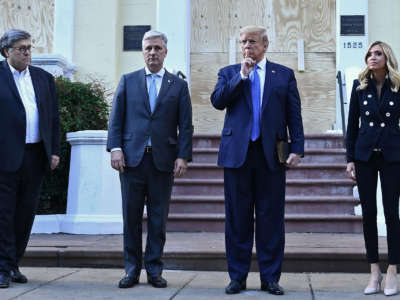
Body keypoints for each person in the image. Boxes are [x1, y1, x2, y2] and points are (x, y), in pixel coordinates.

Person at [210, 25, 304, 295]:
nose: (246, 47)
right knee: (237, 219)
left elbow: (293, 113)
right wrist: (242, 75)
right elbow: (218, 101)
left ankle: (270, 278)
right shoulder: (229, 73)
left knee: (271, 218)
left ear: (265, 45)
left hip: (271, 156)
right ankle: (237, 277)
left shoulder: (283, 75)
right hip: (237, 155)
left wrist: (297, 146)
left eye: (252, 42)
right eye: (243, 42)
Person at [107, 30, 192, 289]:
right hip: (132, 161)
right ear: (142, 52)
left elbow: (185, 126)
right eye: (148, 48)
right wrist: (115, 148)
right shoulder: (128, 80)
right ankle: (131, 270)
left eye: (157, 48)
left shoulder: (178, 86)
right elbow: (116, 118)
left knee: (158, 219)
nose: (152, 52)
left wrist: (183, 156)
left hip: (162, 162)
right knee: (130, 218)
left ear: (165, 52)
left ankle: (154, 270)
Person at [0, 29, 60, 288]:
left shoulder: (43, 78)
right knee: (4, 214)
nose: (27, 52)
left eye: (29, 47)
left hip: (36, 156)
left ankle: (13, 264)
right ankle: (2, 267)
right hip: (5, 157)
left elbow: (53, 119)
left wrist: (54, 150)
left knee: (25, 214)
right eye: (21, 48)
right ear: (6, 51)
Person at [346, 41, 400, 296]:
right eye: (369, 54)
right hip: (365, 156)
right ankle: (373, 271)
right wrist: (349, 159)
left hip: (392, 156)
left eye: (378, 54)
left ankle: (392, 270)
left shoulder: (398, 86)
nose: (372, 57)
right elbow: (351, 127)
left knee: (391, 213)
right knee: (368, 212)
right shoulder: (360, 86)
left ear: (387, 57)